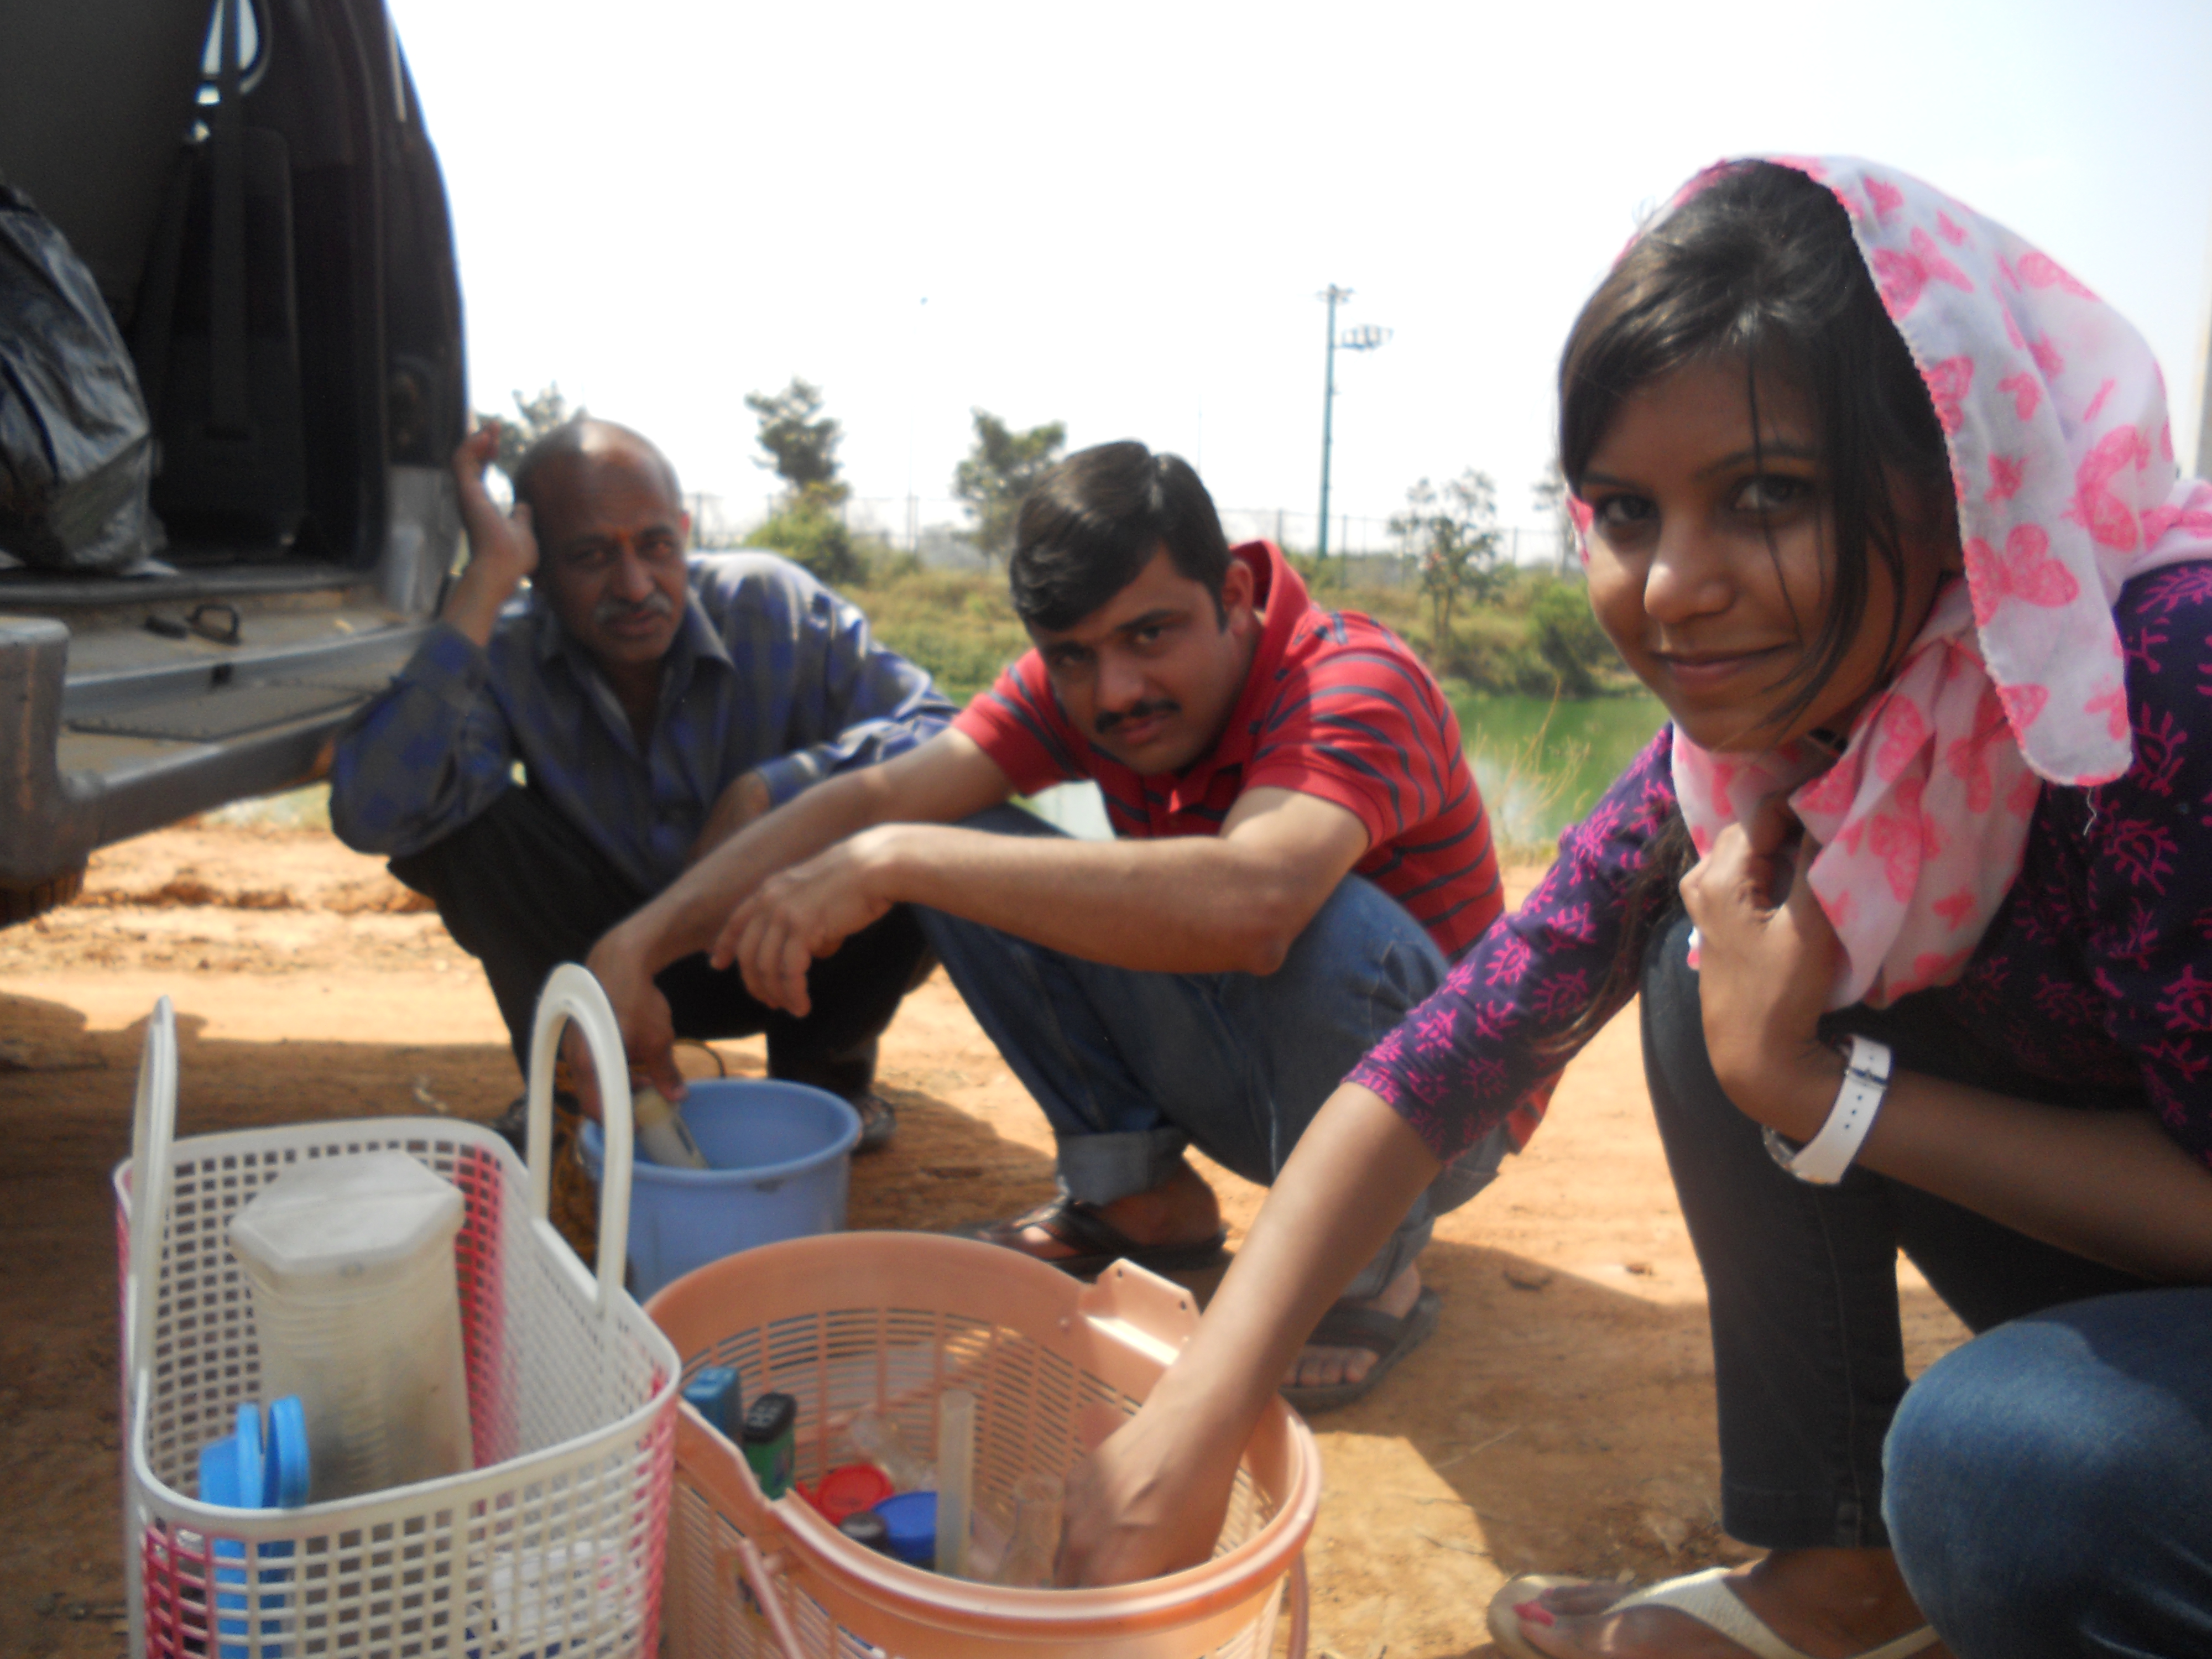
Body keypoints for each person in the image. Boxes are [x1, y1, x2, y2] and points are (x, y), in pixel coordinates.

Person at [1055, 157, 2212, 1659]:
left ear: (1948, 481)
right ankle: (1837, 1578)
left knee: (2011, 1481)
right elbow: (1451, 1052)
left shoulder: (2156, 683)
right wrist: (1198, 1404)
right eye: (1623, 510)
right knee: (1697, 947)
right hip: (2122, 1273)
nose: (1669, 587)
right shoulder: (1764, 754)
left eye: (1766, 496)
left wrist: (1816, 1095)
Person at [586, 439, 1523, 1406]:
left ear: (1236, 595)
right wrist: (635, 947)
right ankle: (1138, 1198)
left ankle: (1366, 1267)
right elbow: (876, 796)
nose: (1114, 692)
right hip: (1260, 1079)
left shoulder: (1352, 681)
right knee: (958, 834)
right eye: (1073, 655)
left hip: (1443, 1116)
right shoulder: (1083, 687)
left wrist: (896, 860)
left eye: (1150, 634)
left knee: (1323, 917)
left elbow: (1259, 907)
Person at [329, 419, 953, 1149]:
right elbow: (375, 813)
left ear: (685, 534)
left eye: (656, 547)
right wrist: (484, 582)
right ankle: (576, 1081)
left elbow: (948, 735)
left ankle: (824, 1082)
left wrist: (775, 792)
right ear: (537, 569)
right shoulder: (506, 648)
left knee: (921, 815)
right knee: (471, 832)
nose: (634, 587)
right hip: (601, 961)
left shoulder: (772, 605)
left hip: (784, 949)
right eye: (590, 556)